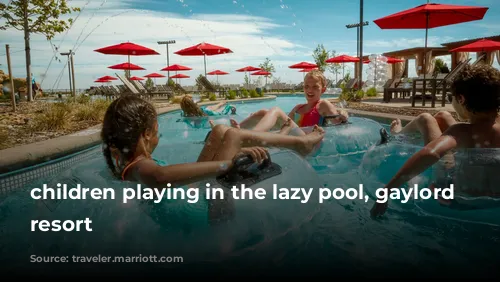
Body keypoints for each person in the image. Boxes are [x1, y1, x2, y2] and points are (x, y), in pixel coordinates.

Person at [101, 94, 325, 224]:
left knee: (219, 131)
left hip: (193, 197)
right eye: (157, 131)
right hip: (210, 212)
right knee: (234, 135)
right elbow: (160, 176)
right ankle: (300, 143)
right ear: (147, 134)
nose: (158, 136)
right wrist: (227, 164)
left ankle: (282, 136)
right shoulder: (141, 167)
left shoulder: (127, 164)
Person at [370, 64, 500, 218]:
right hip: (494, 201)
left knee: (425, 119)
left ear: (461, 99)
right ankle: (398, 134)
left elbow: (430, 153)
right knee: (443, 115)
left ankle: (396, 136)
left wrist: (386, 191)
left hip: (458, 203)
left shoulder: (462, 132)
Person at [230, 69, 348, 135]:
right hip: (294, 136)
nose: (309, 90)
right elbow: (283, 122)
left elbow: (338, 121)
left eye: (315, 87)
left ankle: (251, 136)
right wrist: (265, 118)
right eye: (306, 86)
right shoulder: (298, 108)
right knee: (264, 112)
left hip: (306, 139)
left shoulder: (322, 104)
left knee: (275, 111)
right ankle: (238, 129)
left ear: (323, 89)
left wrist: (343, 113)